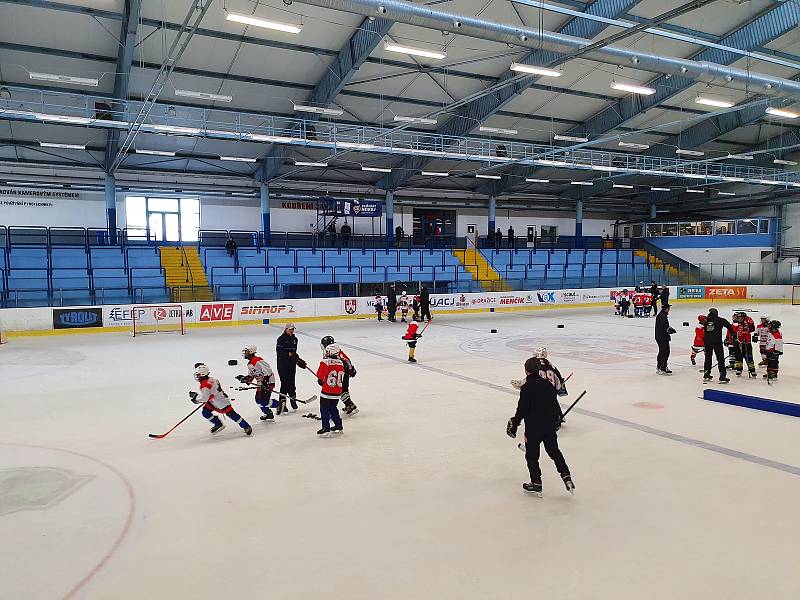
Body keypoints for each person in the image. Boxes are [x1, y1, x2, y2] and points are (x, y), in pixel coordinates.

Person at [506, 356, 574, 497]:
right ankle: (566, 475)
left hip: (533, 429)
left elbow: (522, 409)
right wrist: (557, 420)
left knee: (532, 456)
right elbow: (554, 405)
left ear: (526, 371)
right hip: (548, 426)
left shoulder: (527, 388)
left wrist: (515, 422)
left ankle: (536, 483)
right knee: (554, 452)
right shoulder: (548, 385)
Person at [190, 364, 252, 436]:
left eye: (198, 375)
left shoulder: (205, 385)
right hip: (214, 401)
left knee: (233, 415)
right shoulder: (213, 379)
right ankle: (218, 424)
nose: (197, 376)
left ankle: (246, 426)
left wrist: (195, 398)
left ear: (203, 374)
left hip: (222, 403)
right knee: (205, 412)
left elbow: (205, 398)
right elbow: (210, 394)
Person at [321, 335, 358, 416]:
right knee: (343, 388)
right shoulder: (335, 349)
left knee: (340, 389)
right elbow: (346, 359)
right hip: (343, 370)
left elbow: (345, 360)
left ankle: (349, 405)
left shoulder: (330, 351)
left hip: (341, 371)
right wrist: (351, 369)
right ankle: (349, 404)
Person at [237, 345, 276, 421]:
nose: (245, 353)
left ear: (251, 352)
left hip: (268, 382)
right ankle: (268, 414)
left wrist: (266, 382)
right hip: (261, 383)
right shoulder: (249, 364)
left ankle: (280, 405)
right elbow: (251, 375)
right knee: (258, 400)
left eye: (247, 352)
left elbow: (267, 371)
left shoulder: (257, 360)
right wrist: (244, 379)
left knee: (264, 401)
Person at [276, 323, 307, 414]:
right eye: (290, 329)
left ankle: (293, 401)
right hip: (282, 365)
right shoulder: (281, 339)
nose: (292, 331)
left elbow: (294, 353)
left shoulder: (295, 339)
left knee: (292, 383)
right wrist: (288, 354)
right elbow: (279, 352)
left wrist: (298, 360)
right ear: (285, 329)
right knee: (284, 384)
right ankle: (282, 404)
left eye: (293, 329)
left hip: (291, 365)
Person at [315, 344, 345, 436]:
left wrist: (320, 381)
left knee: (324, 409)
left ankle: (326, 428)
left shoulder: (325, 362)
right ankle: (338, 425)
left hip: (327, 391)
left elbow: (320, 376)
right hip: (337, 391)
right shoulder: (341, 362)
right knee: (333, 408)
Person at [703, 308, 734, 383]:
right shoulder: (720, 320)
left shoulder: (706, 320)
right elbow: (729, 325)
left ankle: (706, 373)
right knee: (720, 359)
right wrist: (733, 334)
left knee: (708, 358)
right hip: (717, 342)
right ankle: (722, 375)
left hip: (707, 342)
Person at [655, 304, 676, 375]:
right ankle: (662, 368)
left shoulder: (662, 315)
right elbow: (665, 327)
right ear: (666, 309)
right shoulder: (662, 316)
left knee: (663, 351)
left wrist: (670, 329)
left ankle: (662, 366)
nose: (669, 309)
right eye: (668, 308)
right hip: (662, 337)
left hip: (661, 336)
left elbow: (665, 326)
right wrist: (670, 330)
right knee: (664, 352)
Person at [734, 312, 756, 378]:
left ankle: (752, 370)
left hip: (747, 342)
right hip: (738, 342)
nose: (740, 319)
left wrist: (748, 326)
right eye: (739, 318)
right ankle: (739, 369)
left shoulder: (747, 322)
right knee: (738, 356)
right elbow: (732, 332)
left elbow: (752, 328)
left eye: (741, 318)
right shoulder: (735, 324)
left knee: (749, 356)